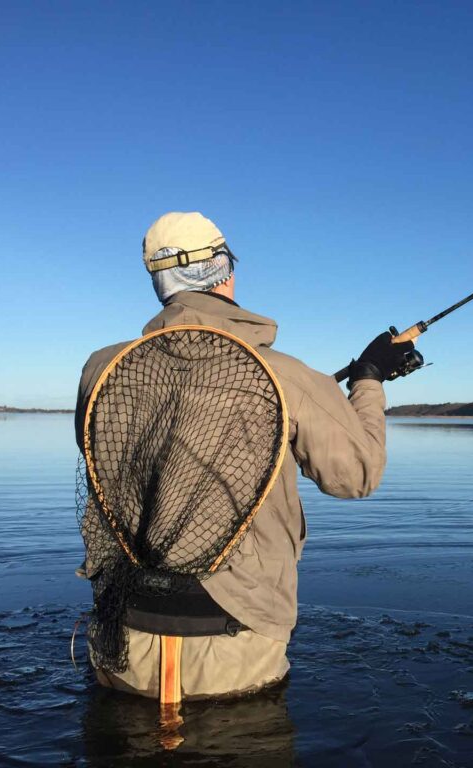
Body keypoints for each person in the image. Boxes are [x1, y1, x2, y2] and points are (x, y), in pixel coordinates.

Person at [75, 211, 416, 701]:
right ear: (226, 271)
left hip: (123, 640)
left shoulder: (100, 368)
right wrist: (368, 378)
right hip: (236, 646)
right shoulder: (288, 375)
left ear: (159, 282)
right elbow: (356, 475)